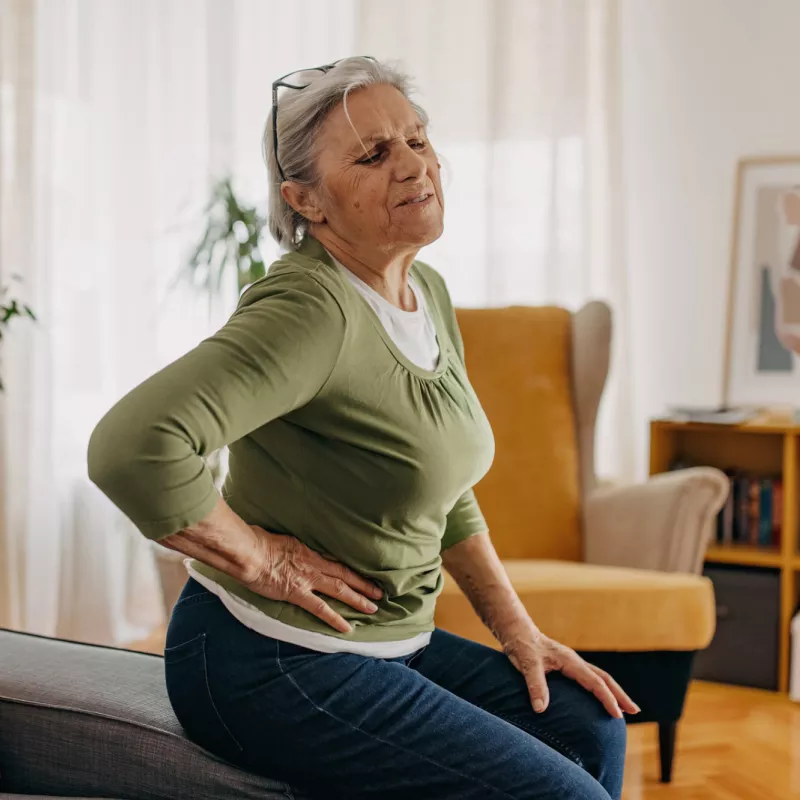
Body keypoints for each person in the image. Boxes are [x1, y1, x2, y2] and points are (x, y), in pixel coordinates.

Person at [88, 56, 635, 800]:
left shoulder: (423, 291)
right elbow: (132, 447)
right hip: (269, 660)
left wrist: (518, 633)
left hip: (382, 646)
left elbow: (444, 489)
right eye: (374, 155)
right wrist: (263, 561)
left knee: (586, 723)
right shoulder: (310, 311)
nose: (414, 165)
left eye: (417, 139)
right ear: (305, 201)